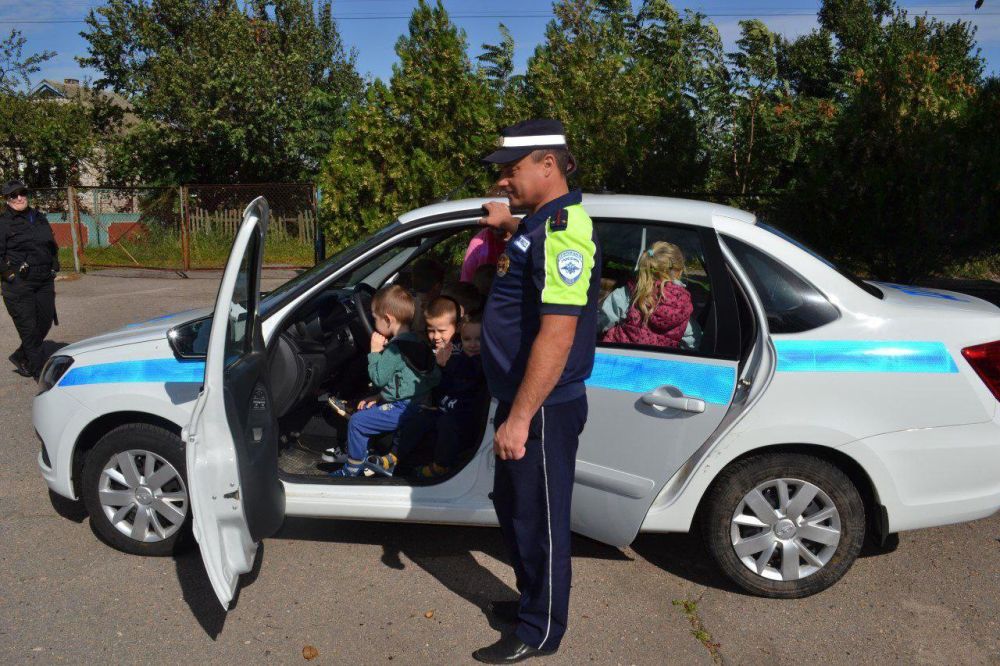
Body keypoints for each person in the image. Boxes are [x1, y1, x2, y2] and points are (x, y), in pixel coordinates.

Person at [472, 119, 600, 664]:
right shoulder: (538, 225)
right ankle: (531, 600)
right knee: (515, 507)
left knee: (540, 517)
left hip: (541, 407)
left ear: (548, 164)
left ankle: (542, 628)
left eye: (512, 169)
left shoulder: (564, 231)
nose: (503, 180)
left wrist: (521, 417)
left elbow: (559, 331)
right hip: (523, 400)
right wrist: (505, 228)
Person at [324, 285, 440, 478]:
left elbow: (378, 377)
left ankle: (352, 469)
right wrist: (380, 396)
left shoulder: (395, 349)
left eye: (375, 318)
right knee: (365, 407)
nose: (373, 322)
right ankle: (361, 454)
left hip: (404, 408)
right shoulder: (417, 342)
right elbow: (420, 379)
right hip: (418, 403)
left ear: (388, 319)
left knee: (357, 422)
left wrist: (375, 352)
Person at [368, 301, 485, 478]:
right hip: (443, 408)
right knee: (418, 419)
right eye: (467, 339)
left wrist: (446, 363)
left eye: (479, 339)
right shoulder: (454, 351)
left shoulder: (481, 360)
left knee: (448, 426)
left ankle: (440, 466)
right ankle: (394, 456)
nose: (473, 344)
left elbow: (470, 370)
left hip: (463, 416)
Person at [1, 180, 59, 379]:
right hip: (19, 284)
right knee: (29, 328)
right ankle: (40, 373)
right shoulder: (4, 223)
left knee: (44, 322)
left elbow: (51, 243)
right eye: (13, 195)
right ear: (7, 200)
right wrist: (9, 275)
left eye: (22, 193)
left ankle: (21, 356)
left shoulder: (39, 217)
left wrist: (54, 265)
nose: (19, 198)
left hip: (44, 279)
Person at [600, 241, 695, 348]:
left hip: (618, 359)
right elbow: (691, 340)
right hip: (658, 363)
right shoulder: (683, 305)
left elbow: (602, 322)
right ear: (680, 271)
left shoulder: (628, 293)